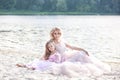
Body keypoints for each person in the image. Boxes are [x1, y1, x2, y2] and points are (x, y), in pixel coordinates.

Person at [42, 27, 111, 77]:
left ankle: (96, 66)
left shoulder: (62, 41)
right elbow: (47, 51)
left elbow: (72, 47)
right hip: (60, 58)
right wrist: (43, 58)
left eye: (58, 33)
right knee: (67, 66)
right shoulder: (51, 42)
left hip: (66, 55)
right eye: (55, 33)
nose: (57, 35)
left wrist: (83, 49)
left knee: (81, 53)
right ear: (52, 34)